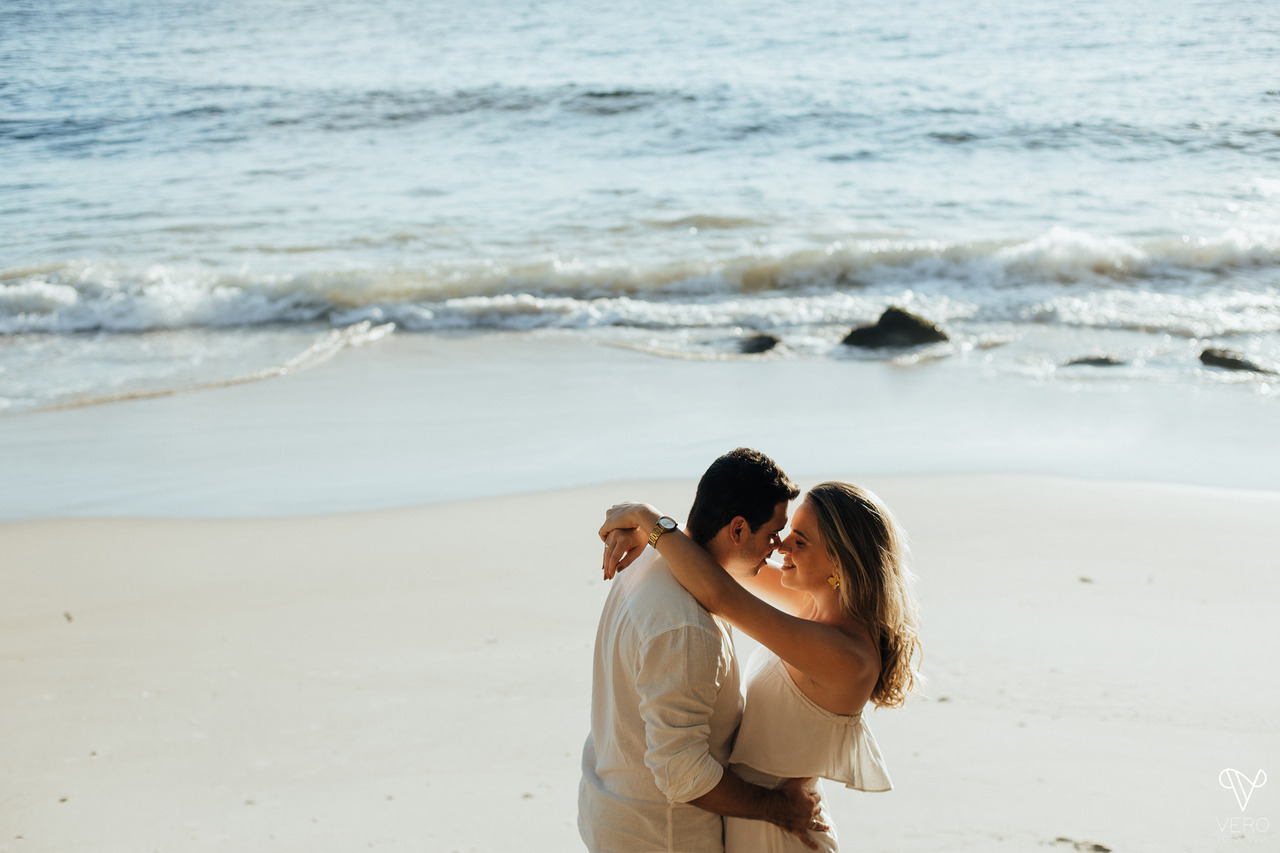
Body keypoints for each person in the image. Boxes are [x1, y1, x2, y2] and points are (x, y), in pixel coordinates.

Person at [600, 481, 922, 853]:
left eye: (800, 541)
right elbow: (721, 562)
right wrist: (651, 539)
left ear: (840, 562)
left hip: (780, 831)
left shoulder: (847, 656)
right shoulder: (814, 602)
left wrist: (648, 518)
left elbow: (720, 594)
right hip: (757, 817)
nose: (781, 546)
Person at [579, 448, 828, 853]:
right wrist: (780, 809)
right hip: (663, 837)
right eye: (772, 533)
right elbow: (681, 773)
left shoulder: (644, 557)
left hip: (608, 805)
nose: (778, 546)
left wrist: (645, 519)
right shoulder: (687, 629)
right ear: (737, 529)